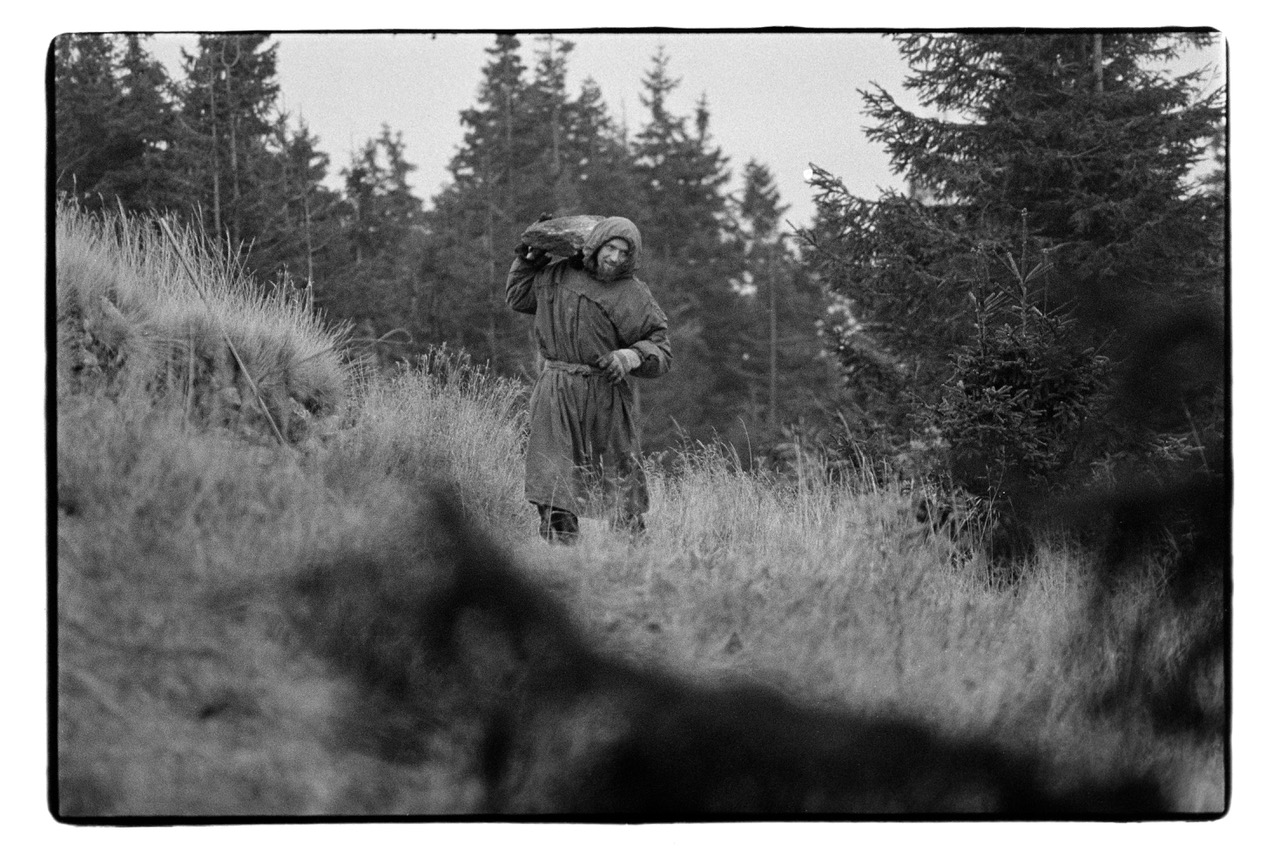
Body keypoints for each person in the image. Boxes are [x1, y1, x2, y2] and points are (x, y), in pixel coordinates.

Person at [506, 216, 672, 543]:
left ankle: (630, 557)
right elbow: (518, 297)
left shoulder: (632, 295)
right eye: (611, 247)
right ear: (597, 246)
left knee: (620, 478)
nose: (615, 258)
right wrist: (529, 260)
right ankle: (562, 557)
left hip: (605, 394)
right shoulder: (557, 275)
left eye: (625, 253)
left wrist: (631, 356)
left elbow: (662, 349)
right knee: (552, 478)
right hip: (556, 391)